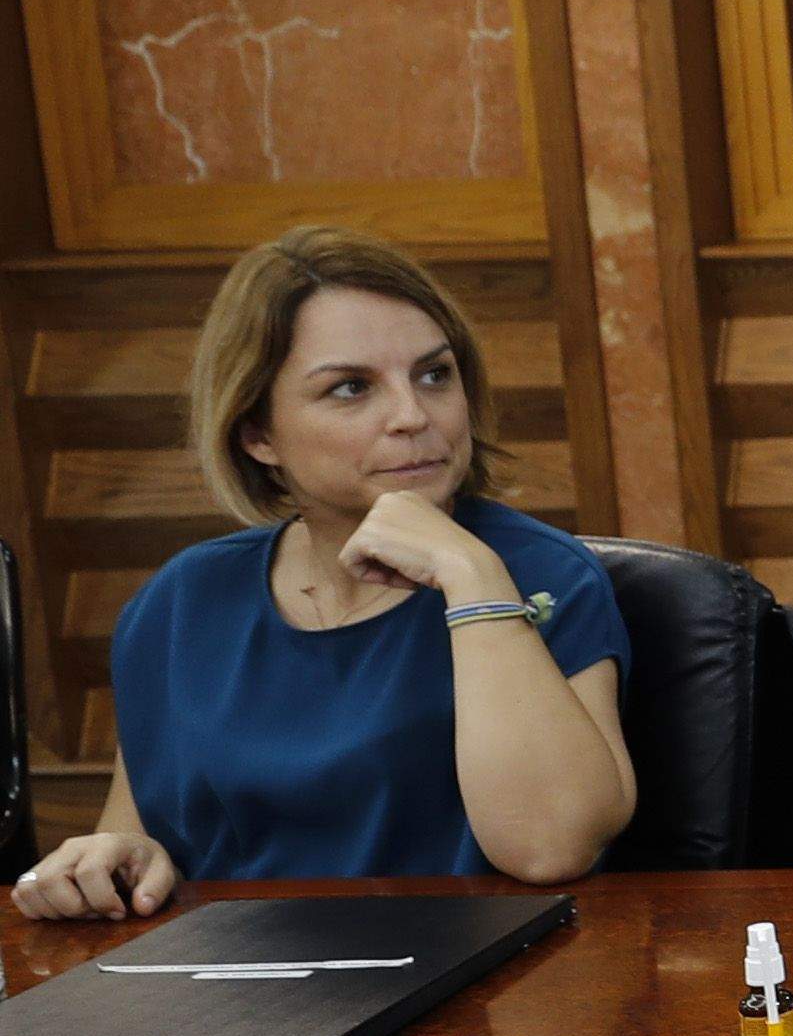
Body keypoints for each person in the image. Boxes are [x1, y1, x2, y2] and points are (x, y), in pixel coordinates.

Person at [15, 228, 636, 917]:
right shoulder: (182, 601)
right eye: (350, 388)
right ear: (258, 433)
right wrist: (121, 858)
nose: (413, 415)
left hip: (470, 995)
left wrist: (471, 574)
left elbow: (553, 847)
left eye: (435, 374)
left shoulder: (543, 574)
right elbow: (135, 834)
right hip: (234, 998)